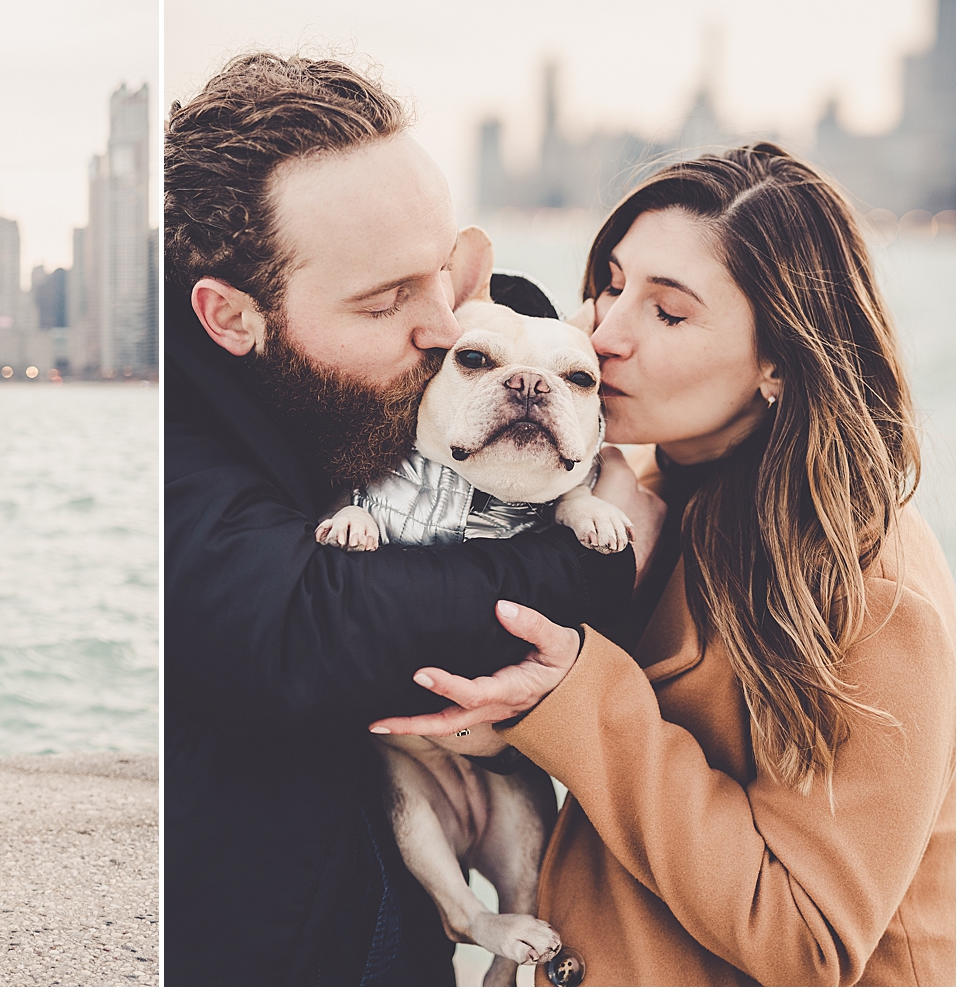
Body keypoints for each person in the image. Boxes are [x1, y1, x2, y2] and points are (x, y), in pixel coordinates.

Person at [375, 144, 955, 986]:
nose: (605, 334)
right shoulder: (633, 497)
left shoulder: (872, 592)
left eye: (668, 313)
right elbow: (517, 728)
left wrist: (581, 692)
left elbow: (808, 942)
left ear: (780, 363)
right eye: (611, 284)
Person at [164, 53, 663, 985]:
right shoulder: (166, 442)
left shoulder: (436, 351)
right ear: (232, 318)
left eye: (439, 270)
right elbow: (308, 626)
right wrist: (599, 561)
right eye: (387, 298)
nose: (441, 325)